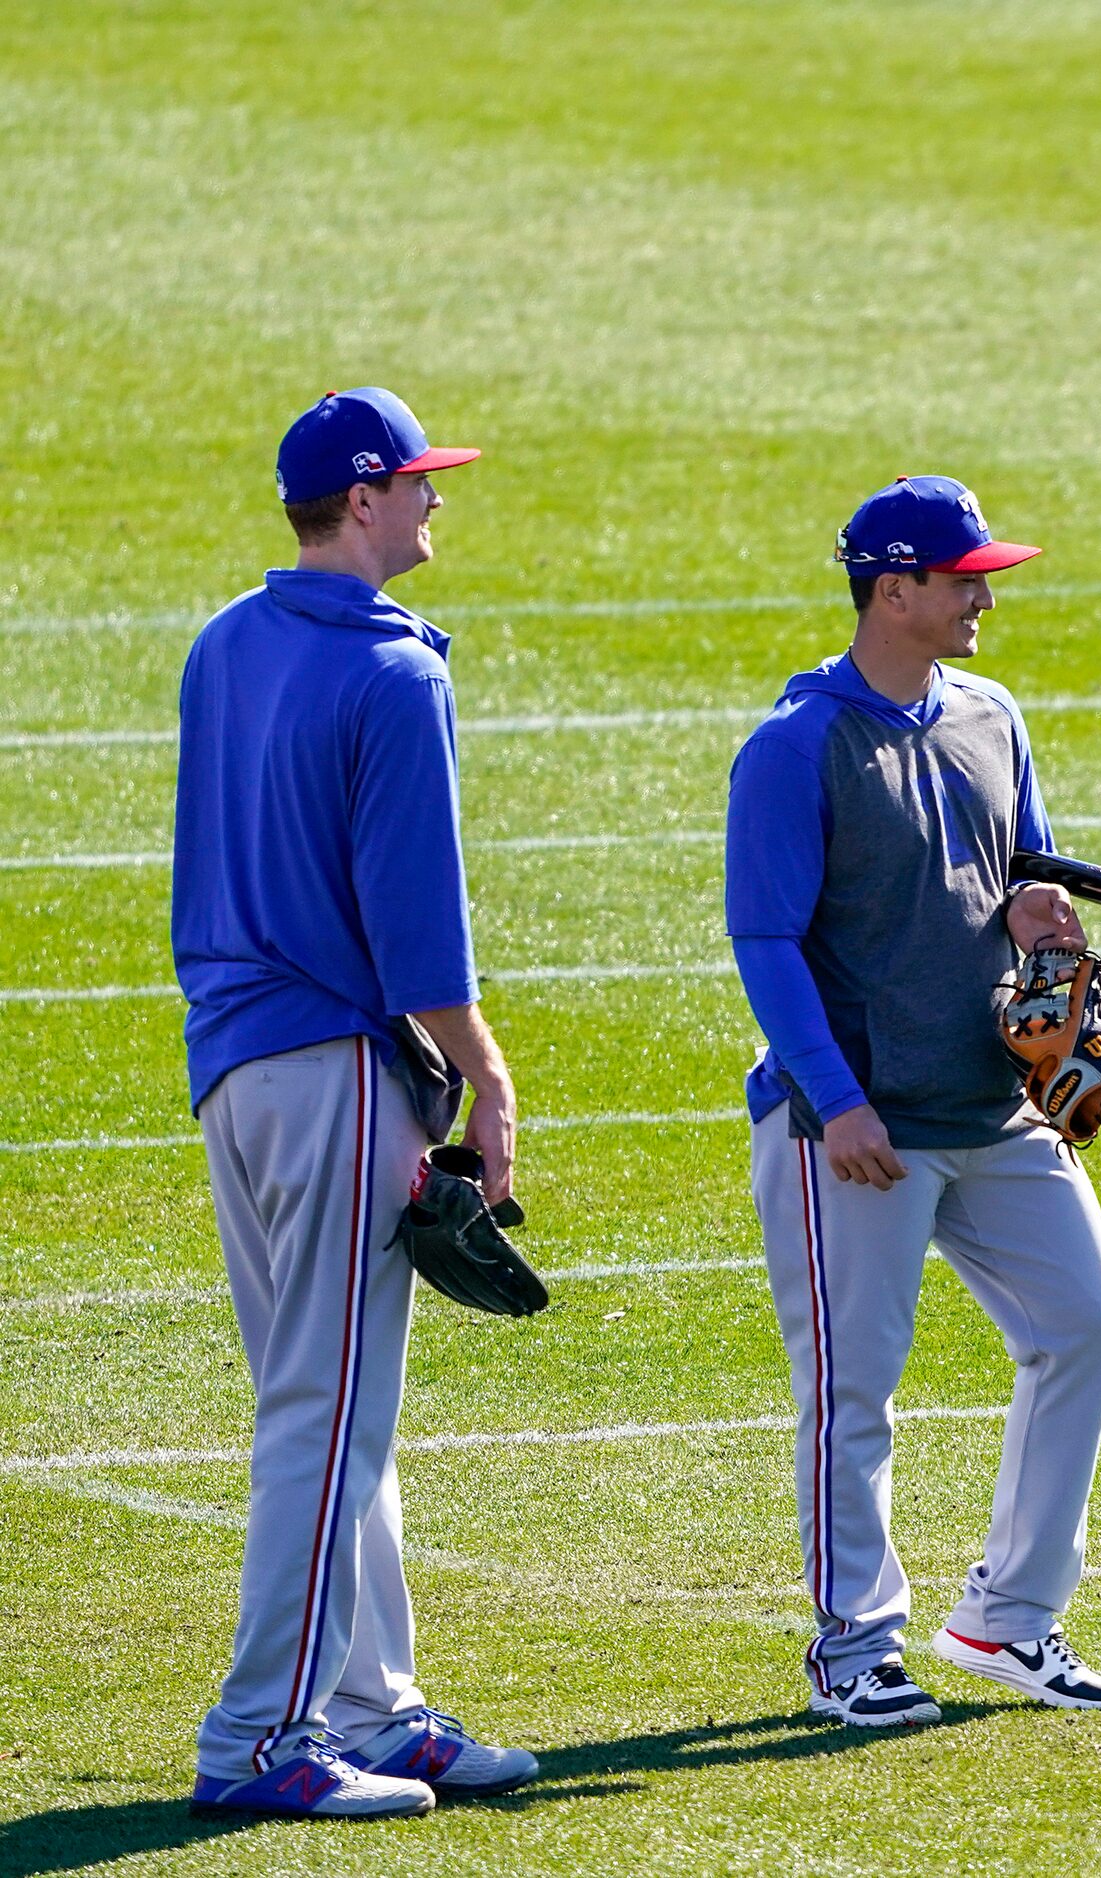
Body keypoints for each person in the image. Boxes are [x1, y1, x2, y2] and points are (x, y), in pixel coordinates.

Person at [177, 389, 538, 1818]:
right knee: (327, 1415)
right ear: (368, 496)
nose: (440, 505)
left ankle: (374, 1708)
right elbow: (415, 932)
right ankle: (256, 1739)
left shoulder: (224, 642)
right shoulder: (397, 673)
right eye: (424, 485)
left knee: (331, 1409)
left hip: (235, 1067)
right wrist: (487, 1070)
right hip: (335, 1064)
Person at [725, 475, 1101, 1724]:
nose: (984, 598)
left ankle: (1007, 1621)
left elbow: (1025, 872)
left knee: (1088, 1324)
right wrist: (835, 1101)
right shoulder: (796, 745)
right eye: (964, 580)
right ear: (890, 589)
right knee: (854, 1386)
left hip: (986, 1107)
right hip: (854, 1128)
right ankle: (854, 1645)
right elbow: (765, 942)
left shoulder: (992, 715)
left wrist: (1039, 919)